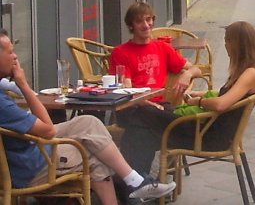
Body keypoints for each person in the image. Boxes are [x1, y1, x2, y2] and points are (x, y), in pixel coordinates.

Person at [0, 29, 175, 204]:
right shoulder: (3, 104)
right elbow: (48, 131)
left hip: (23, 150)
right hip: (30, 165)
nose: (16, 57)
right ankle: (135, 183)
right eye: (10, 52)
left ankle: (134, 181)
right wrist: (22, 85)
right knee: (95, 154)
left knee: (90, 123)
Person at [112, 21, 255, 183]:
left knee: (143, 113)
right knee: (142, 130)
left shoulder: (250, 73)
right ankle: (139, 184)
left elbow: (221, 104)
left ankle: (131, 184)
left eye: (227, 41)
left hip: (209, 135)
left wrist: (199, 101)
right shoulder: (248, 71)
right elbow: (227, 95)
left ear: (238, 44)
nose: (226, 46)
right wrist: (199, 93)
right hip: (207, 127)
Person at [110, 2, 202, 171]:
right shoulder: (121, 52)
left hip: (159, 108)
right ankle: (188, 129)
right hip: (133, 107)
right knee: (150, 113)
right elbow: (127, 92)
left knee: (140, 134)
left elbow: (196, 69)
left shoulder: (162, 48)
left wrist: (186, 75)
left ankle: (136, 184)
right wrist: (148, 103)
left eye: (148, 19)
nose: (146, 25)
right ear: (131, 25)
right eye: (139, 22)